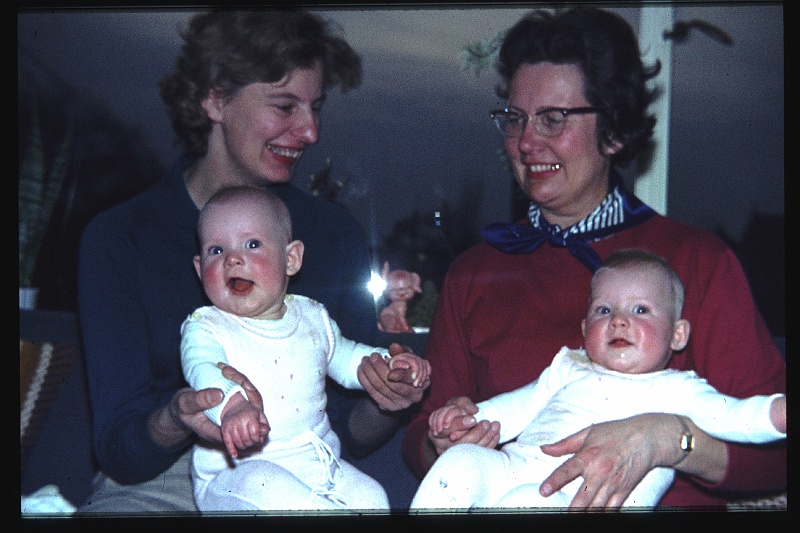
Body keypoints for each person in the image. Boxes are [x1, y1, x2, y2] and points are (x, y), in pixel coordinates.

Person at [402, 7, 786, 509]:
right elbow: (423, 437)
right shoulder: (475, 271)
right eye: (515, 119)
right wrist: (443, 439)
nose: (525, 142)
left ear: (615, 132)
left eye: (553, 119)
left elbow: (778, 450)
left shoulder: (698, 260)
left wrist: (669, 441)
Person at [78, 10, 420, 514]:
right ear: (215, 98)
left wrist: (389, 397)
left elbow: (350, 431)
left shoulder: (332, 234)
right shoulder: (121, 237)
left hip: (300, 469)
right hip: (161, 480)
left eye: (316, 107)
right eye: (285, 106)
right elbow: (120, 452)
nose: (310, 132)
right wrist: (177, 415)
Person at [410, 250, 786, 510]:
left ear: (678, 335)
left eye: (641, 310)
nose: (619, 320)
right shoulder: (568, 366)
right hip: (515, 467)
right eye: (604, 310)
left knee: (525, 502)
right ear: (586, 328)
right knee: (460, 463)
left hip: (585, 502)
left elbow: (736, 416)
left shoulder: (678, 389)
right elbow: (516, 406)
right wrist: (469, 422)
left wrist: (778, 413)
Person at [181, 186, 430, 511]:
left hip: (315, 466)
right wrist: (231, 408)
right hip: (235, 476)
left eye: (252, 244)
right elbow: (204, 369)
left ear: (292, 258)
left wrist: (391, 366)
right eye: (216, 250)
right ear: (200, 271)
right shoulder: (205, 327)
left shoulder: (313, 317)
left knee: (373, 499)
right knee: (273, 491)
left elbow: (349, 357)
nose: (232, 258)